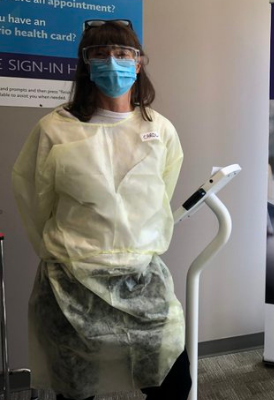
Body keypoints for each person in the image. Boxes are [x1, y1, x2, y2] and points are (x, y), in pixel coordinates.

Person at [12, 20, 191, 400]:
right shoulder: (54, 129)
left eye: (123, 53)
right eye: (101, 54)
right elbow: (34, 200)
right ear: (86, 64)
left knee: (173, 382)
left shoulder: (159, 129)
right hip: (70, 283)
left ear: (139, 63)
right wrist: (65, 255)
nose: (113, 61)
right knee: (76, 388)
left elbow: (160, 196)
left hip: (142, 280)